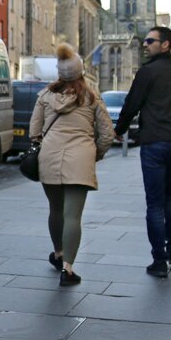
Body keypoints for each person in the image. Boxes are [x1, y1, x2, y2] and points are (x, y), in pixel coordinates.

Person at [113, 26, 171, 278]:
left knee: (155, 202)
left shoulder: (147, 73)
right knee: (170, 195)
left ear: (165, 45)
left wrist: (119, 129)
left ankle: (159, 260)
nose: (145, 44)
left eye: (150, 41)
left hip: (154, 143)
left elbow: (132, 105)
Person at [29, 44, 115, 286]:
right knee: (73, 216)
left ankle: (58, 253)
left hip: (50, 158)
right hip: (80, 160)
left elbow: (34, 131)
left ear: (59, 72)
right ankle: (67, 269)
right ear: (80, 71)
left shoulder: (45, 96)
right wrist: (95, 154)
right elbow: (107, 134)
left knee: (55, 210)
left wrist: (42, 145)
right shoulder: (91, 98)